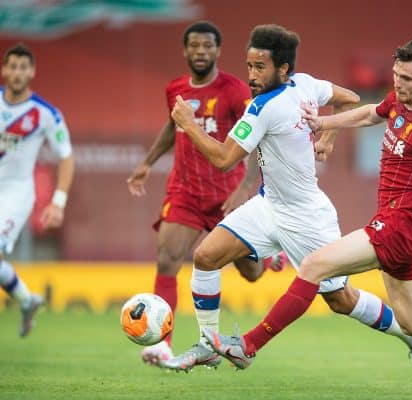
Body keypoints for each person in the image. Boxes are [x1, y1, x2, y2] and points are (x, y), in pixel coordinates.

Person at [203, 38, 412, 394]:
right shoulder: (399, 100)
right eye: (396, 75)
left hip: (398, 226)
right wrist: (324, 121)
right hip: (405, 232)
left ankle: (248, 345)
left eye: (408, 79)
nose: (398, 83)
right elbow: (369, 113)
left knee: (313, 267)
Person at [165, 24, 412, 386]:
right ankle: (208, 343)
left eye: (260, 68)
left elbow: (223, 159)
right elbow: (348, 97)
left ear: (283, 70)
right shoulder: (307, 83)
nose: (252, 76)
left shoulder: (263, 107)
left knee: (342, 300)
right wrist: (328, 137)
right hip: (268, 204)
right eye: (249, 66)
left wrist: (188, 123)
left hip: (307, 216)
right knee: (205, 257)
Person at [126, 21, 287, 368]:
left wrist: (246, 186)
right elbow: (174, 127)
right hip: (184, 191)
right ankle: (162, 345)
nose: (200, 51)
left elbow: (259, 135)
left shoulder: (234, 91)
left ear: (217, 51)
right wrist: (146, 162)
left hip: (227, 196)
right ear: (185, 51)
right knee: (168, 258)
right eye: (194, 46)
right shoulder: (175, 89)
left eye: (207, 46)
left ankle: (271, 257)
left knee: (252, 273)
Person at [0, 43, 74, 337]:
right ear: (4, 69)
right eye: (12, 66)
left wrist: (58, 202)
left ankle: (27, 300)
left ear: (31, 72)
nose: (17, 73)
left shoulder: (46, 114)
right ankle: (28, 300)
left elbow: (66, 157)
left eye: (23, 67)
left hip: (16, 193)